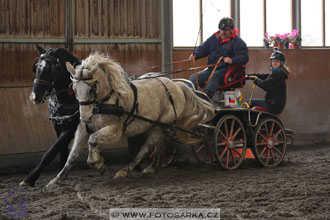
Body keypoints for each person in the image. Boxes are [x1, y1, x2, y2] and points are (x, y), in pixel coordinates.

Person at [188, 17, 249, 99]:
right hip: (212, 68)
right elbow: (204, 47)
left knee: (215, 76)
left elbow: (244, 57)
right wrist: (195, 55)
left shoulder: (238, 42)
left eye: (226, 30)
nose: (223, 32)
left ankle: (207, 98)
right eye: (221, 30)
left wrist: (232, 60)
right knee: (193, 77)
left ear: (231, 30)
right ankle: (189, 99)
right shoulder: (214, 38)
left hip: (227, 69)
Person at [248, 48, 289, 114]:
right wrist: (250, 76)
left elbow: (266, 85)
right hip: (274, 104)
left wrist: (257, 81)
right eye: (273, 61)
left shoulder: (279, 75)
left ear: (281, 63)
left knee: (248, 102)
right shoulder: (277, 73)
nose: (274, 63)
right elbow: (265, 76)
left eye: (277, 61)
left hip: (272, 105)